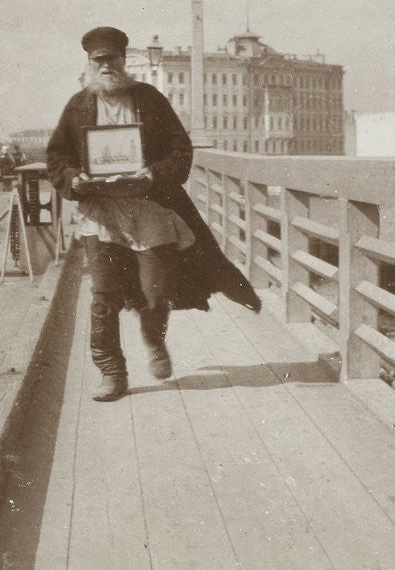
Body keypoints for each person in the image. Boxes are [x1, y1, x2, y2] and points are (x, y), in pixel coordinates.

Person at [47, 26, 260, 402]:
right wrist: (74, 179)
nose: (107, 66)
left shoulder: (149, 100)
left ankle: (154, 342)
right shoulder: (78, 106)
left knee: (154, 292)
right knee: (103, 295)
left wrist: (154, 174)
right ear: (90, 64)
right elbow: (57, 159)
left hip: (149, 210)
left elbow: (180, 150)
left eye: (113, 59)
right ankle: (112, 372)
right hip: (102, 214)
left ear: (124, 61)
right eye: (99, 60)